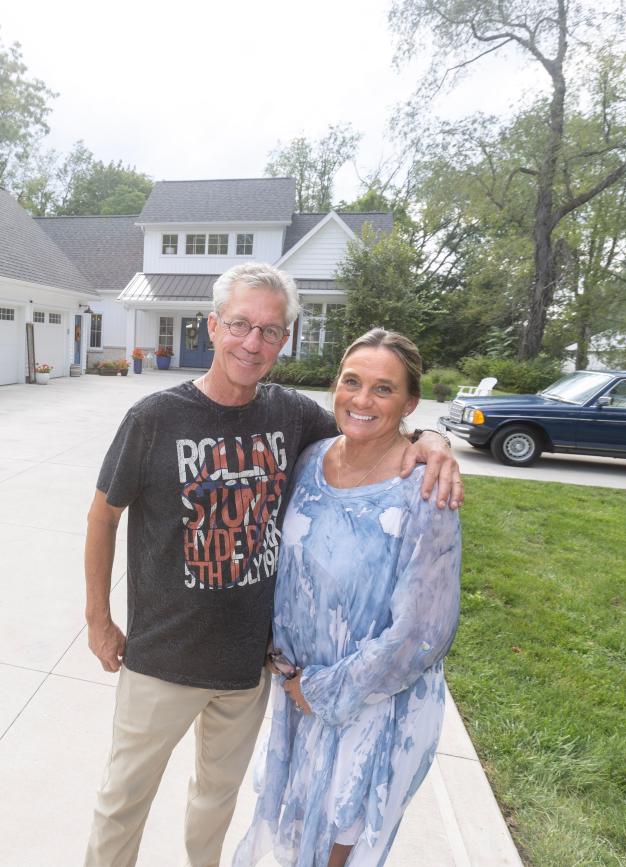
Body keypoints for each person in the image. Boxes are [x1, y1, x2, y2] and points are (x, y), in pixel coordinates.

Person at [83, 263, 463, 867]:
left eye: (269, 330)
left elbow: (369, 422)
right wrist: (98, 619)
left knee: (216, 798)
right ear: (213, 326)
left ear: (284, 339)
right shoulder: (153, 419)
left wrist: (434, 442)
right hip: (161, 656)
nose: (251, 343)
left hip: (247, 666)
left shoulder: (292, 417)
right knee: (124, 798)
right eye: (240, 325)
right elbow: (103, 517)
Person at [233, 329, 462, 867]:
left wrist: (322, 690)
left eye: (384, 390)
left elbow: (422, 635)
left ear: (410, 403)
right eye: (352, 382)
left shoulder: (425, 488)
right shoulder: (309, 459)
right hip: (301, 696)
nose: (362, 400)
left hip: (371, 704)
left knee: (340, 844)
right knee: (294, 837)